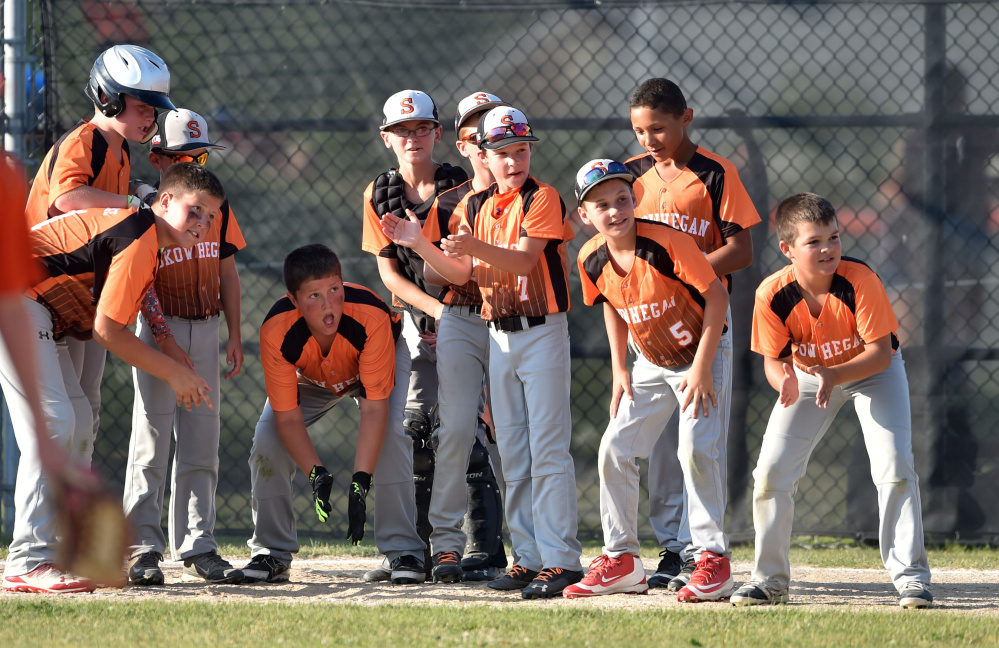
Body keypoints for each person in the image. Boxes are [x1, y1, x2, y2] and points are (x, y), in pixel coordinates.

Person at [1, 162, 222, 593]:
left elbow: (140, 296)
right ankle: (28, 557)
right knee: (57, 422)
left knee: (78, 422)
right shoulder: (139, 235)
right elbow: (107, 330)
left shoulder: (145, 235)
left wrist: (170, 348)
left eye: (212, 216)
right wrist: (173, 372)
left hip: (42, 310)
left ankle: (64, 549)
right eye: (195, 210)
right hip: (17, 300)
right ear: (165, 201)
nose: (204, 223)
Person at [733, 192, 932, 608]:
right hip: (809, 378)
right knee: (770, 473)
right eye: (814, 241)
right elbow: (774, 361)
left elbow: (880, 352)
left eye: (834, 237)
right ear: (787, 249)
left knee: (895, 468)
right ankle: (770, 580)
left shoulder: (859, 280)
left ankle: (911, 579)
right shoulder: (772, 294)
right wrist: (782, 378)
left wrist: (834, 375)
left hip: (873, 374)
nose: (827, 248)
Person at [418, 105, 582, 598]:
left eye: (522, 150)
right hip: (498, 332)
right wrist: (419, 245)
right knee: (512, 449)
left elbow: (525, 260)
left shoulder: (543, 197)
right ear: (483, 155)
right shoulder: (474, 206)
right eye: (504, 152)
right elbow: (463, 276)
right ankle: (527, 558)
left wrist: (471, 245)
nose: (514, 161)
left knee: (548, 448)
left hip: (541, 330)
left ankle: (561, 559)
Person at [563, 159, 731, 601]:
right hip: (649, 361)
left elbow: (717, 296)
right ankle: (622, 561)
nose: (615, 210)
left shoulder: (667, 242)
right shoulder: (590, 257)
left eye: (622, 199)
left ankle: (712, 559)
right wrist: (620, 368)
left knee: (695, 448)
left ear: (635, 199)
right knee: (614, 450)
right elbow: (611, 304)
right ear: (585, 215)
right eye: (601, 204)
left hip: (702, 352)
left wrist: (702, 368)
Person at [625, 78, 761, 591]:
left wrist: (688, 273)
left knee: (697, 447)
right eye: (640, 130)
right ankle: (671, 548)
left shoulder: (714, 172)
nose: (649, 139)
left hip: (702, 329)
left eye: (658, 127)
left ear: (687, 118)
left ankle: (704, 550)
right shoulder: (632, 177)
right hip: (650, 332)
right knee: (654, 449)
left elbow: (742, 249)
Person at [23, 44, 174, 472]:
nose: (152, 117)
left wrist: (139, 192)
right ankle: (50, 526)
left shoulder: (120, 150)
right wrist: (134, 202)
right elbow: (67, 199)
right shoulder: (85, 139)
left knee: (87, 407)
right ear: (108, 98)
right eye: (144, 106)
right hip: (44, 290)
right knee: (66, 416)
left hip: (81, 293)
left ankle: (78, 515)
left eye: (154, 109)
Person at [379, 91, 509, 583]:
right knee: (432, 431)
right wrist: (439, 318)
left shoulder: (529, 197)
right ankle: (428, 549)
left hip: (508, 322)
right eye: (473, 135)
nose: (482, 143)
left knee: (505, 435)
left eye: (490, 134)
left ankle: (503, 547)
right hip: (439, 322)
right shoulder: (421, 198)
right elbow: (413, 273)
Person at [240, 244, 426, 586]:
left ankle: (403, 549)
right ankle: (272, 551)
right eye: (313, 295)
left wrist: (360, 481)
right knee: (267, 440)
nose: (328, 303)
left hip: (372, 367)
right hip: (314, 377)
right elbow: (288, 419)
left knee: (394, 434)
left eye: (334, 290)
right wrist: (316, 474)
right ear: (294, 301)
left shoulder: (369, 317)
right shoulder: (277, 331)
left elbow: (374, 410)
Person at [123, 109, 246, 586]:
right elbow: (143, 288)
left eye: (200, 154)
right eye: (182, 155)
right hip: (158, 331)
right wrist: (168, 343)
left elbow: (227, 271)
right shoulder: (147, 211)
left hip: (206, 326)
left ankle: (198, 544)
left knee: (202, 439)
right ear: (158, 158)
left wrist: (234, 333)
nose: (194, 161)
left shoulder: (216, 207)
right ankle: (142, 546)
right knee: (151, 438)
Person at [359, 89, 467, 581]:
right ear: (387, 138)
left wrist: (452, 318)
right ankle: (408, 551)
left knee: (472, 432)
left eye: (422, 128)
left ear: (438, 133)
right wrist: (432, 314)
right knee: (410, 430)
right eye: (402, 131)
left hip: (470, 321)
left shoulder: (461, 185)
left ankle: (479, 548)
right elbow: (389, 273)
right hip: (414, 326)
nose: (413, 138)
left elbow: (470, 264)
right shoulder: (378, 192)